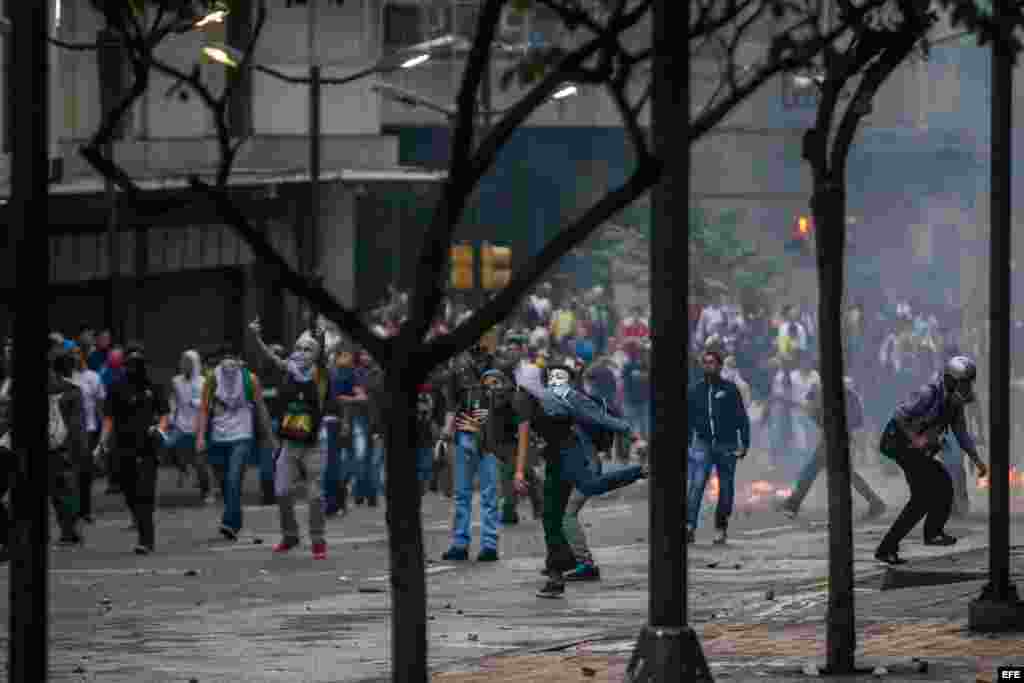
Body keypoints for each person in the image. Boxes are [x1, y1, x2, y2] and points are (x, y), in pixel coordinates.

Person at [513, 362, 645, 599]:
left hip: (575, 453)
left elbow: (601, 418)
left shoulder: (567, 397)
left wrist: (632, 434)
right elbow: (522, 433)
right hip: (555, 459)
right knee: (552, 516)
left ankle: (640, 471)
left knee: (585, 491)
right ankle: (557, 574)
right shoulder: (527, 399)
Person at [874, 356, 989, 565]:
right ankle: (914, 539)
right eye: (964, 382)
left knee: (935, 489)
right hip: (898, 442)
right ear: (951, 380)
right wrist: (915, 438)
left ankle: (920, 537)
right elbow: (899, 416)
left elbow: (962, 435)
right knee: (929, 492)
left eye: (969, 383)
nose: (967, 387)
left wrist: (977, 460)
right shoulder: (929, 394)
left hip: (914, 449)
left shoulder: (954, 404)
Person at [250, 321, 330, 559]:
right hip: (291, 441)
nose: (302, 353)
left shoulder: (319, 373)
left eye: (308, 349)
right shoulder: (290, 369)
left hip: (314, 442)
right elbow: (271, 357)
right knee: (282, 490)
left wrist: (321, 335)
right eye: (299, 348)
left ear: (316, 354)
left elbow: (322, 353)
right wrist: (256, 337)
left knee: (315, 495)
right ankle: (290, 535)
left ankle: (318, 541)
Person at [94, 342, 170, 555]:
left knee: (145, 492)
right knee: (129, 491)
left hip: (148, 447)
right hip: (122, 447)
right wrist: (102, 443)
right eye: (130, 361)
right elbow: (108, 419)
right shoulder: (117, 386)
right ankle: (139, 517)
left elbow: (164, 413)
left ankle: (146, 540)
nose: (134, 365)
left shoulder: (154, 384)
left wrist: (160, 429)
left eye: (138, 360)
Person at [776, 376, 886, 520]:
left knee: (813, 469)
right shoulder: (830, 392)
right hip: (833, 437)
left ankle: (793, 504)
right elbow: (811, 410)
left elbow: (854, 422)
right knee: (841, 472)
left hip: (837, 438)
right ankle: (875, 502)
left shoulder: (844, 395)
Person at [441, 357, 506, 562]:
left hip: (489, 439)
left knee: (489, 493)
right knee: (462, 493)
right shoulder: (456, 372)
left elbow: (508, 402)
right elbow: (452, 406)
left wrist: (492, 412)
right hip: (464, 435)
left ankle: (489, 545)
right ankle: (461, 544)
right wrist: (445, 434)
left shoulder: (498, 366)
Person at [196, 345, 262, 541]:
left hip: (242, 436)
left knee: (234, 478)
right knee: (225, 483)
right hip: (218, 437)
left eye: (232, 357)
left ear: (240, 360)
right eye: (225, 358)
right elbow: (204, 409)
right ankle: (236, 521)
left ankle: (228, 522)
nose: (229, 361)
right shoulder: (212, 379)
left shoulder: (250, 380)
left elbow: (260, 408)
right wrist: (200, 437)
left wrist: (269, 437)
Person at [685, 350, 751, 545]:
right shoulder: (694, 390)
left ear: (720, 366)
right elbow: (687, 420)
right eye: (704, 363)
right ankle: (689, 526)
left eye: (712, 362)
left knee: (726, 487)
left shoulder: (730, 389)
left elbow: (742, 418)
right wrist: (688, 444)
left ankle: (720, 527)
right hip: (702, 443)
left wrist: (745, 443)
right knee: (696, 485)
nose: (708, 366)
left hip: (727, 444)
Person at [51, 349, 88, 547]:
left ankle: (68, 530)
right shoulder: (72, 390)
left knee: (58, 492)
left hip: (52, 445)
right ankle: (69, 530)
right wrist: (82, 449)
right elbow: (76, 425)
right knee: (66, 489)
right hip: (65, 446)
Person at [166, 350, 211, 502]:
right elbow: (173, 400)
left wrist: (196, 402)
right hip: (180, 425)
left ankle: (206, 491)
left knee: (200, 462)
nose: (184, 365)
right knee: (167, 444)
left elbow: (208, 403)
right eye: (182, 362)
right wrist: (172, 416)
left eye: (188, 362)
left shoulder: (203, 381)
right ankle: (183, 468)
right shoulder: (176, 381)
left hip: (198, 426)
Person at [69, 344, 105, 524]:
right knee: (72, 474)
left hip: (89, 430)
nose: (75, 357)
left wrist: (102, 435)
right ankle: (73, 511)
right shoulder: (68, 378)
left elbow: (99, 407)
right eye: (72, 354)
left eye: (77, 354)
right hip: (71, 431)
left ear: (83, 356)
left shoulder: (93, 377)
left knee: (85, 474)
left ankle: (86, 510)